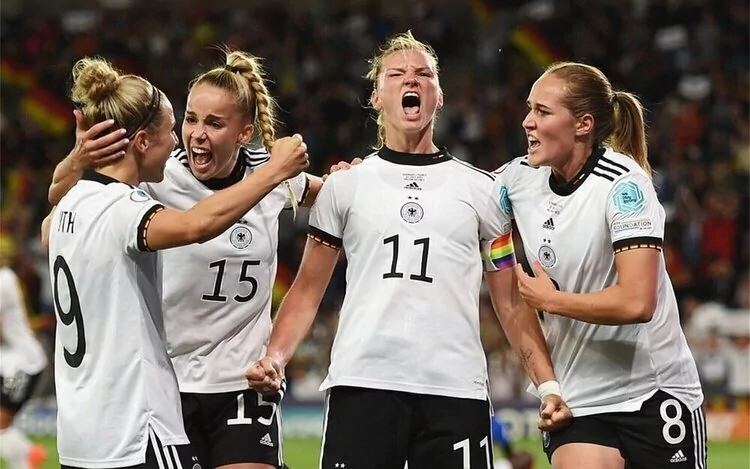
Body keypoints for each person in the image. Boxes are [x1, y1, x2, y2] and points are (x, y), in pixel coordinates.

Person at [245, 31, 570, 469]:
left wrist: (547, 385)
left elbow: (510, 301)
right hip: (363, 385)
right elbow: (306, 291)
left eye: (423, 74)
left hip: (455, 391)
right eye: (396, 74)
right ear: (376, 97)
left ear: (440, 96)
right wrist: (276, 358)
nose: (411, 80)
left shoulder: (483, 191)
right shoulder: (344, 186)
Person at [48, 49, 328, 469]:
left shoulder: (270, 175)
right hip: (168, 383)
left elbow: (333, 199)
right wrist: (77, 159)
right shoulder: (155, 177)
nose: (193, 135)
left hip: (241, 380)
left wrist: (356, 178)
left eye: (214, 123)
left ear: (244, 132)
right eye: (190, 119)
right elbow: (197, 223)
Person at [489, 61, 706, 469]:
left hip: (653, 393)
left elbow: (637, 302)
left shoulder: (624, 186)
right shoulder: (515, 182)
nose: (527, 122)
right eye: (529, 109)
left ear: (583, 125)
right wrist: (366, 176)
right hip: (579, 401)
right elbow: (452, 196)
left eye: (542, 111)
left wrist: (552, 301)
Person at [0, 236, 48, 469]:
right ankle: (29, 454)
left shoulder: (4, 281)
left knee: (0, 423)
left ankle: (27, 456)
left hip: (23, 362)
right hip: (7, 360)